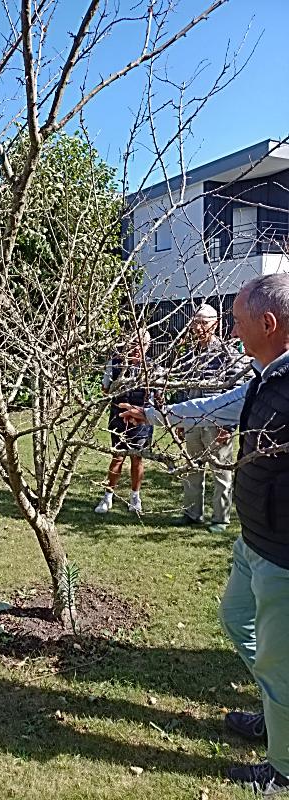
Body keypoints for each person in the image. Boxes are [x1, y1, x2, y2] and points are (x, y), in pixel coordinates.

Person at [120, 274, 289, 794]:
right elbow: (215, 406)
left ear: (268, 323)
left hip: (284, 555)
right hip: (253, 540)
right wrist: (154, 414)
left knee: (279, 663)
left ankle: (284, 769)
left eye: (238, 322)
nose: (233, 333)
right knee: (238, 620)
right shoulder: (265, 378)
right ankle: (277, 713)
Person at [171, 304, 248, 533]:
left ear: (215, 324)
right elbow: (183, 389)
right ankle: (192, 513)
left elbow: (236, 390)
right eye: (195, 322)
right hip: (192, 421)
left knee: (221, 472)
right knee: (192, 467)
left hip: (217, 422)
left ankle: (220, 519)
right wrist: (180, 420)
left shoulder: (227, 354)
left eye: (203, 322)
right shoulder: (189, 355)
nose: (198, 327)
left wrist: (228, 426)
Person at [94, 329, 154, 515]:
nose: (137, 349)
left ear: (148, 346)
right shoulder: (115, 364)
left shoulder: (151, 367)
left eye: (142, 345)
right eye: (134, 344)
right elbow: (105, 389)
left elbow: (155, 396)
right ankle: (108, 496)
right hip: (119, 418)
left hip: (141, 420)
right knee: (117, 456)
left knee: (137, 458)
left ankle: (135, 497)